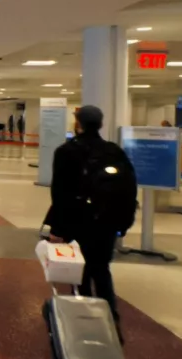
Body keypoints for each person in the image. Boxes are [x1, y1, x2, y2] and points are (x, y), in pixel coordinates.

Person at [46, 105, 136, 343]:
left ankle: (85, 325)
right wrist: (123, 223)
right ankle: (111, 322)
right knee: (101, 270)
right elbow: (128, 188)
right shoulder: (113, 151)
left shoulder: (66, 152)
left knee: (80, 274)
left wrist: (57, 229)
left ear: (78, 123)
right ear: (101, 124)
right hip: (106, 224)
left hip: (77, 222)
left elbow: (60, 194)